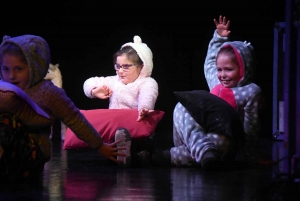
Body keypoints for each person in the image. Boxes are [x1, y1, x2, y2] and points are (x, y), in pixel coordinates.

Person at [0, 34, 125, 181]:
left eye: (18, 69)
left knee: (6, 121)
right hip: (7, 155)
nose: (11, 75)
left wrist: (100, 146)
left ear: (34, 67)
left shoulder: (48, 92)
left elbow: (75, 119)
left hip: (32, 153)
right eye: (5, 69)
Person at [151, 15, 264, 170]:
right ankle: (203, 151)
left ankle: (165, 156)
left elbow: (251, 126)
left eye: (229, 70)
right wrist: (219, 38)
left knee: (219, 143)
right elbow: (210, 62)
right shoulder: (216, 82)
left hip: (220, 140)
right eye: (220, 70)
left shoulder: (250, 91)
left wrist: (252, 158)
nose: (222, 75)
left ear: (243, 69)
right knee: (181, 106)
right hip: (191, 134)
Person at [83, 35, 159, 167]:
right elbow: (88, 82)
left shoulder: (147, 82)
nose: (120, 71)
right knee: (111, 141)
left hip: (137, 128)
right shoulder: (114, 81)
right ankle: (125, 154)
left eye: (126, 67)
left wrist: (145, 108)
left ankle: (135, 154)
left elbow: (148, 95)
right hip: (116, 131)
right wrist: (94, 91)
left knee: (141, 144)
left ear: (141, 67)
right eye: (117, 66)